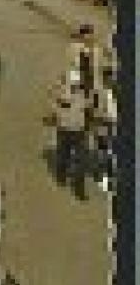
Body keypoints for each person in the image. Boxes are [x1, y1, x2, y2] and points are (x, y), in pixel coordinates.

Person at [50, 70, 93, 201]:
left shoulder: (84, 95)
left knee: (81, 160)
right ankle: (61, 175)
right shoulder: (63, 95)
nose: (76, 86)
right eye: (74, 84)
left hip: (79, 132)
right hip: (64, 131)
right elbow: (55, 103)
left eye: (78, 84)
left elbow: (89, 109)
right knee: (63, 155)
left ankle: (79, 188)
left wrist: (88, 126)